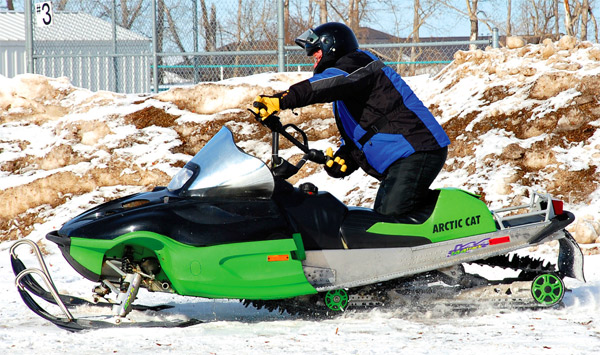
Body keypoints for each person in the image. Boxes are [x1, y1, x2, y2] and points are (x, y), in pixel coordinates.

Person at [252, 22, 450, 219]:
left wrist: (282, 99)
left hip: (417, 148)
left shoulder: (357, 63)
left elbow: (328, 84)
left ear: (332, 45)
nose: (313, 58)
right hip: (405, 154)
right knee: (385, 216)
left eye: (316, 52)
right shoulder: (347, 89)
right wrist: (346, 157)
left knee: (389, 219)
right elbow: (366, 128)